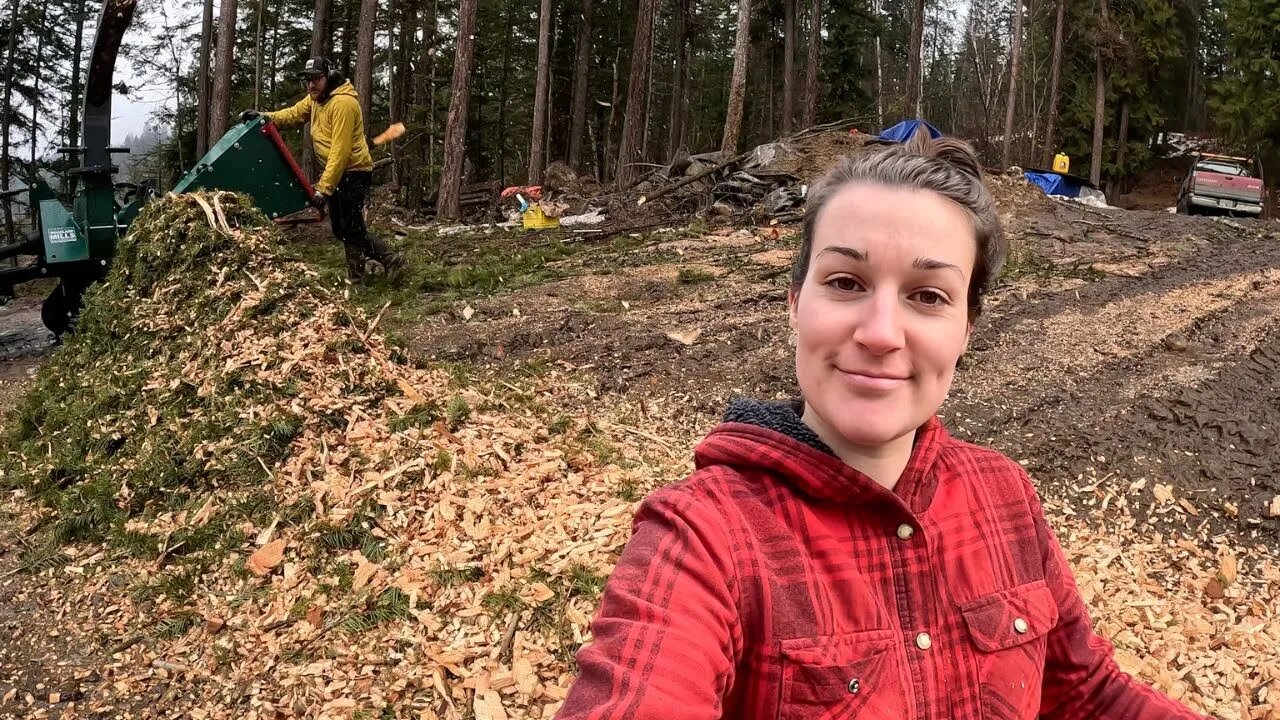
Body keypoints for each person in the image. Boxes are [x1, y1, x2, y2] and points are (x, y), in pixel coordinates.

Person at [554, 130, 1208, 720]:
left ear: (966, 330)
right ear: (794, 305)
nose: (880, 334)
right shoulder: (705, 537)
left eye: (928, 296)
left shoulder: (1004, 495)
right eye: (845, 281)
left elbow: (1085, 693)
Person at [240, 57, 403, 282]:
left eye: (316, 79)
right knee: (340, 229)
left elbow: (341, 151)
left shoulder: (343, 104)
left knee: (351, 227)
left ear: (330, 76)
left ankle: (369, 271)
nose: (311, 85)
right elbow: (293, 114)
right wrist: (265, 117)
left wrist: (324, 189)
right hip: (338, 173)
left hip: (354, 172)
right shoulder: (316, 99)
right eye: (308, 80)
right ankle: (379, 263)